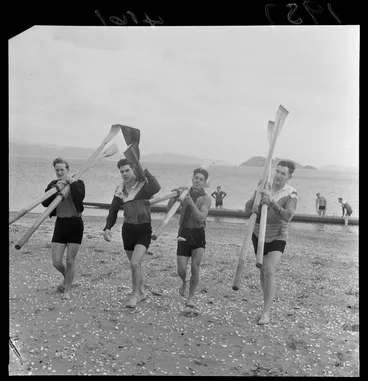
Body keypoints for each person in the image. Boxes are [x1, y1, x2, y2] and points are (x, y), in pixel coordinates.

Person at [244, 160, 298, 325]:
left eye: (283, 173)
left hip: (278, 235)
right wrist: (257, 193)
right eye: (278, 171)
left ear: (289, 176)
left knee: (269, 270)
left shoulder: (291, 193)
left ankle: (266, 312)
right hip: (258, 233)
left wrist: (272, 202)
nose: (279, 175)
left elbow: (288, 216)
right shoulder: (263, 186)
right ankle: (266, 299)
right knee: (262, 272)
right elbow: (247, 210)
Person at [102, 158, 161, 308]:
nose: (124, 173)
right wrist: (108, 227)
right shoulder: (120, 190)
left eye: (127, 170)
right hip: (127, 231)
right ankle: (141, 291)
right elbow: (113, 210)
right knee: (135, 264)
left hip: (144, 230)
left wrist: (144, 169)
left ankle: (134, 294)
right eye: (122, 171)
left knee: (135, 262)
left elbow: (157, 187)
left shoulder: (143, 186)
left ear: (134, 170)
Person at [167, 167, 212, 308]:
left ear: (204, 183)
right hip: (184, 233)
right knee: (181, 269)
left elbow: (201, 217)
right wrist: (174, 197)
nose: (198, 181)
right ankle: (184, 282)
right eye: (196, 178)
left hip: (198, 234)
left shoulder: (206, 198)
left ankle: (190, 297)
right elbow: (169, 211)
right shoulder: (184, 193)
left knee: (195, 267)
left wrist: (190, 202)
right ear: (192, 179)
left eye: (201, 179)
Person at [41, 157, 85, 300]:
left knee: (70, 261)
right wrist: (56, 188)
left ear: (68, 170)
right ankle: (68, 277)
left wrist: (71, 182)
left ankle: (67, 289)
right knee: (56, 262)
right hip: (60, 224)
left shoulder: (78, 183)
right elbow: (45, 203)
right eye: (57, 170)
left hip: (75, 224)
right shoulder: (53, 184)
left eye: (62, 170)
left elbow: (79, 197)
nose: (60, 172)